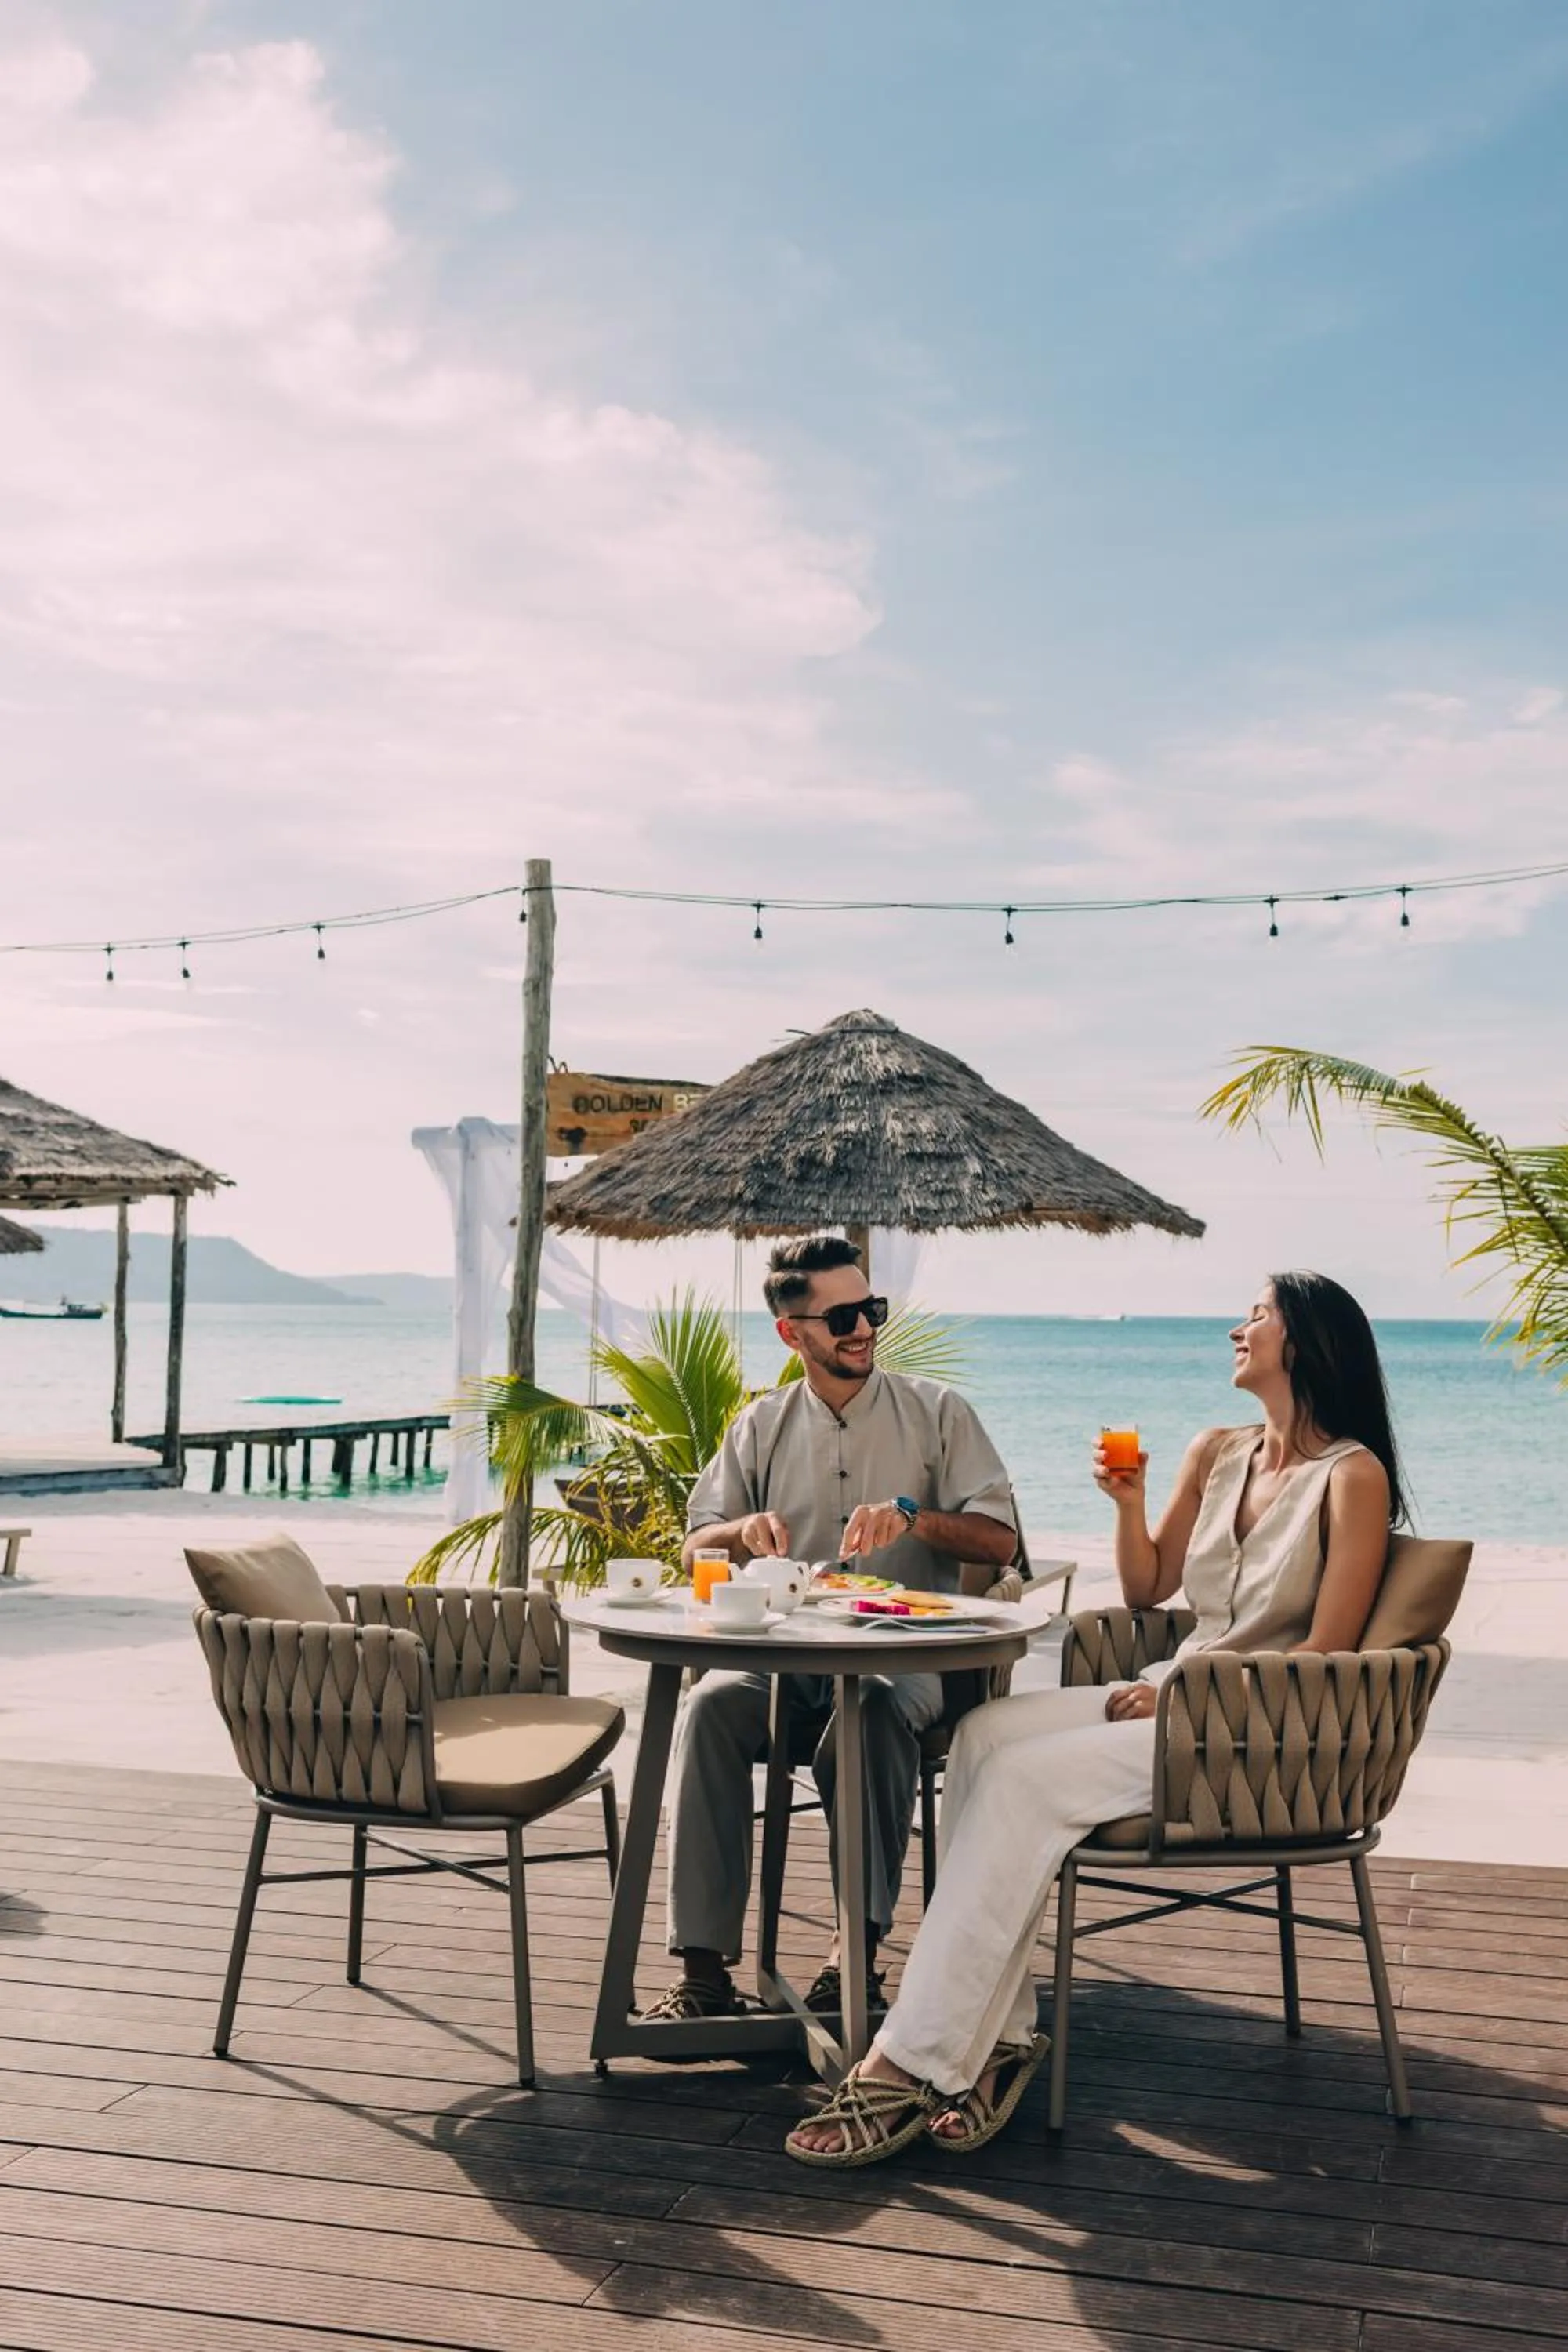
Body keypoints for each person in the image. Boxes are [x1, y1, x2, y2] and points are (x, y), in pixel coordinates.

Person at [786, 1269, 1403, 2165]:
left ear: (1302, 1343)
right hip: (1174, 1694)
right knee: (982, 1736)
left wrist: (1191, 1692)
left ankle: (905, 2062)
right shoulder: (1216, 1449)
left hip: (1250, 1728)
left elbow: (1331, 1650)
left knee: (1025, 1778)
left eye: (1256, 1315)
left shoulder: (1352, 1477)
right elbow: (1150, 1587)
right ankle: (995, 2040)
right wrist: (1126, 1505)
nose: (1237, 1328)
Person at [645, 1232, 1021, 2026]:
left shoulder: (937, 1412)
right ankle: (703, 1973)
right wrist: (740, 1531)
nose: (862, 1328)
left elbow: (999, 1541)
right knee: (708, 1709)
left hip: (904, 1663)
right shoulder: (759, 1425)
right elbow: (693, 1544)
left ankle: (851, 1956)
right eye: (841, 1315)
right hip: (779, 1662)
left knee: (871, 1711)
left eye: (870, 1309)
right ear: (792, 1333)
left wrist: (916, 1517)